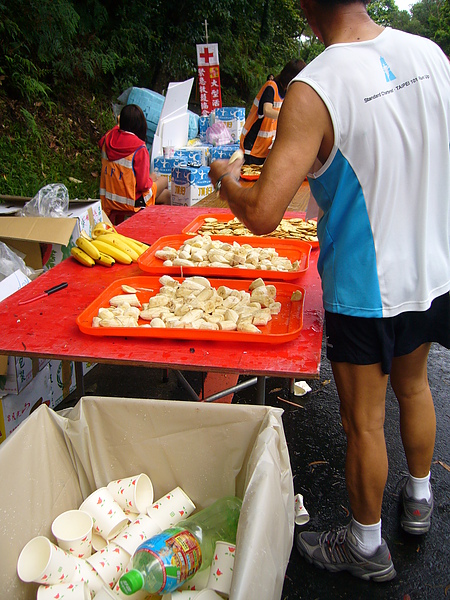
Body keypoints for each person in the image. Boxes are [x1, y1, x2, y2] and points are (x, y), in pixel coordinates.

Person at [210, 0, 450, 583]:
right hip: (431, 269)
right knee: (415, 387)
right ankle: (418, 500)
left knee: (364, 422)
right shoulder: (430, 54)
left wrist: (227, 180)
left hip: (365, 285)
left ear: (306, 5)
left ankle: (367, 545)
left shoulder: (316, 86)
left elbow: (267, 211)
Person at [99, 104, 170, 217]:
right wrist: (151, 179)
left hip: (109, 200)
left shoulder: (107, 139)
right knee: (165, 187)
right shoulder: (139, 148)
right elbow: (143, 186)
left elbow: (110, 134)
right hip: (131, 201)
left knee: (158, 184)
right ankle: (155, 223)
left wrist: (118, 124)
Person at [239, 59, 306, 165]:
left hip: (266, 148)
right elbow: (267, 110)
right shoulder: (271, 87)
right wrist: (289, 116)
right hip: (252, 146)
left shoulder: (285, 92)